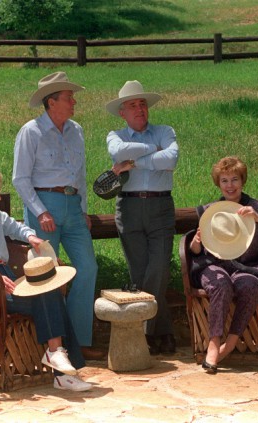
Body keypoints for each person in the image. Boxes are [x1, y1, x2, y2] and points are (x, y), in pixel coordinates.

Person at [0, 164, 92, 391]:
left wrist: (33, 238)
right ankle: (60, 367)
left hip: (7, 277)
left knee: (52, 292)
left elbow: (17, 228)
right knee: (49, 295)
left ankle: (58, 361)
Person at [12, 72, 103, 361]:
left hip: (72, 206)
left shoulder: (76, 130)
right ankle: (55, 345)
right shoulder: (31, 131)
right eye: (68, 97)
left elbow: (81, 174)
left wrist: (83, 208)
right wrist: (40, 211)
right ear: (52, 102)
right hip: (45, 205)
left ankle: (79, 341)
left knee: (87, 268)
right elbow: (20, 179)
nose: (74, 101)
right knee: (46, 278)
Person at [188, 156, 258, 374]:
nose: (230, 185)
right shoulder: (210, 211)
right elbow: (196, 252)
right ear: (218, 183)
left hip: (248, 267)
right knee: (220, 283)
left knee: (249, 285)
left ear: (242, 181)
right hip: (214, 265)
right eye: (224, 180)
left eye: (234, 179)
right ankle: (213, 344)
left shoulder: (257, 207)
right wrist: (195, 243)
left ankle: (230, 344)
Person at [105, 80, 179, 355]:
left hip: (160, 207)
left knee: (157, 270)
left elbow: (171, 159)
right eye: (132, 105)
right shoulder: (115, 135)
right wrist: (153, 151)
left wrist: (135, 162)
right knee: (139, 272)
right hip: (129, 208)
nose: (139, 109)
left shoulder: (164, 131)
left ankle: (148, 330)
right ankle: (162, 333)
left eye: (142, 104)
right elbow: (117, 153)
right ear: (122, 113)